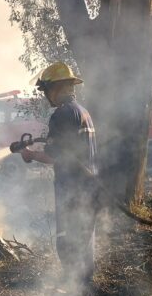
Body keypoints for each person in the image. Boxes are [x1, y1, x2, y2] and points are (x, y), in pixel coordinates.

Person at [19, 62, 98, 281]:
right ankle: (84, 293)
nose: (46, 96)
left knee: (68, 242)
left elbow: (56, 156)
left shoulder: (62, 115)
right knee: (85, 241)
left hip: (72, 190)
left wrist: (31, 155)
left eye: (46, 90)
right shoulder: (83, 112)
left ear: (56, 88)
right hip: (90, 188)